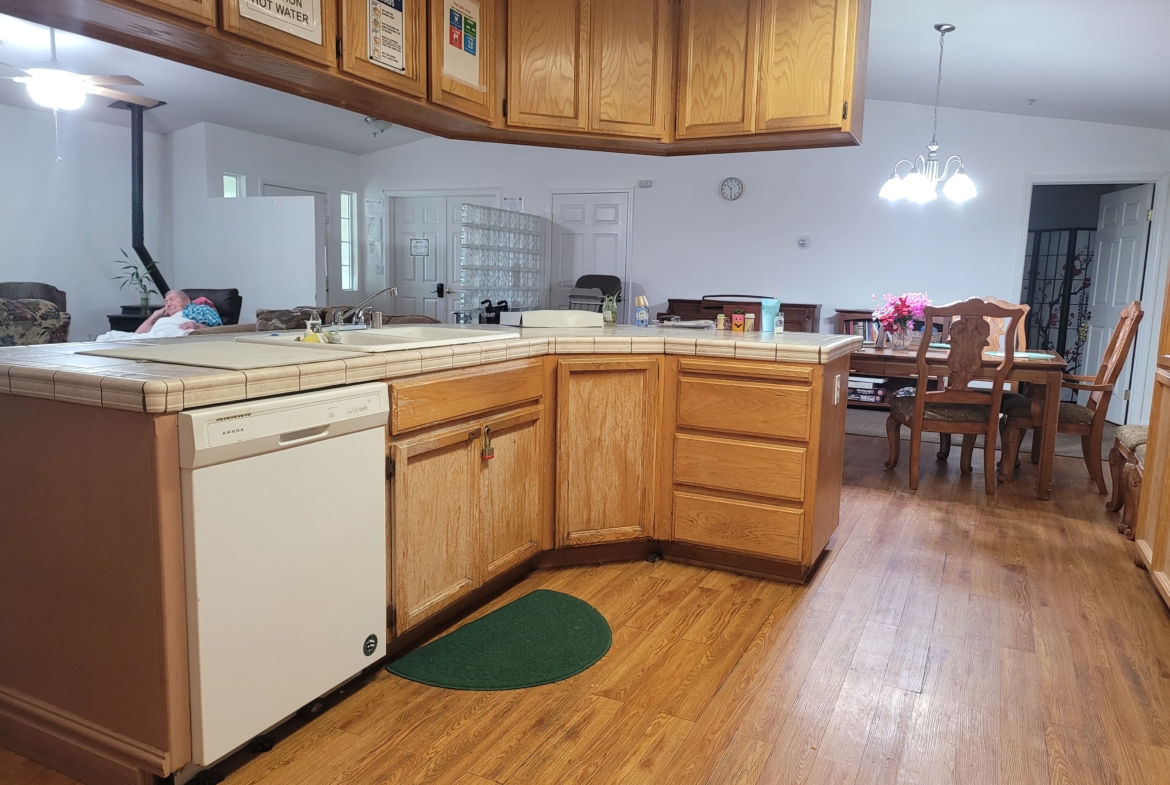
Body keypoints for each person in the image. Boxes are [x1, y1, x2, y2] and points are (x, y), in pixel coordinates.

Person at [96, 290, 198, 342]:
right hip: (150, 337)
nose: (168, 304)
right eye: (166, 302)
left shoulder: (197, 310)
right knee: (108, 337)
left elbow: (213, 328)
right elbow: (138, 334)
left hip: (168, 337)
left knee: (114, 344)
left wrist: (200, 327)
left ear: (186, 300)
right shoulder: (164, 318)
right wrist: (155, 315)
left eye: (172, 299)